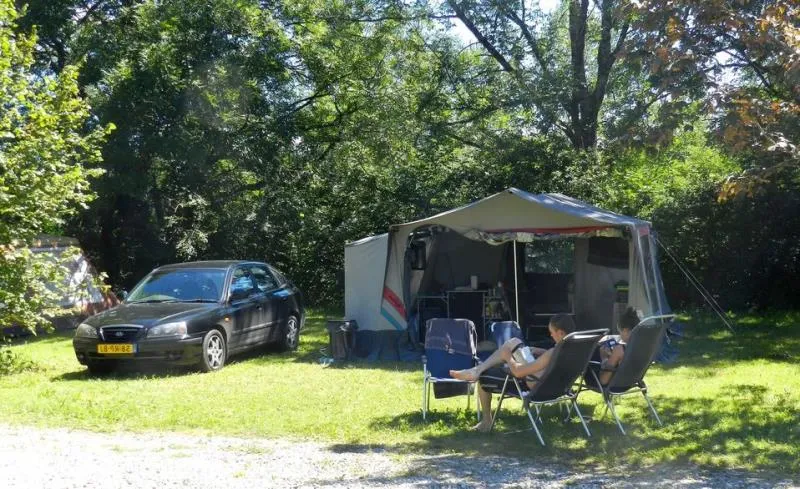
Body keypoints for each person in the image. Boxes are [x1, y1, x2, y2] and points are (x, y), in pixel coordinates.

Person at [449, 314, 577, 432]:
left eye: (551, 333)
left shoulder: (552, 353)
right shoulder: (575, 348)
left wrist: (508, 357)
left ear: (560, 333)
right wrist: (541, 351)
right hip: (558, 386)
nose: (550, 336)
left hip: (535, 384)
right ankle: (477, 370)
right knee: (513, 342)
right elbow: (553, 359)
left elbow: (518, 372)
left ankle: (486, 420)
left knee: (486, 375)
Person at [588, 307, 640, 386]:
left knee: (595, 349)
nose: (620, 335)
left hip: (615, 384)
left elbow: (603, 380)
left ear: (625, 330)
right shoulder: (642, 346)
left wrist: (604, 358)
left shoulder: (619, 350)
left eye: (620, 332)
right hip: (632, 381)